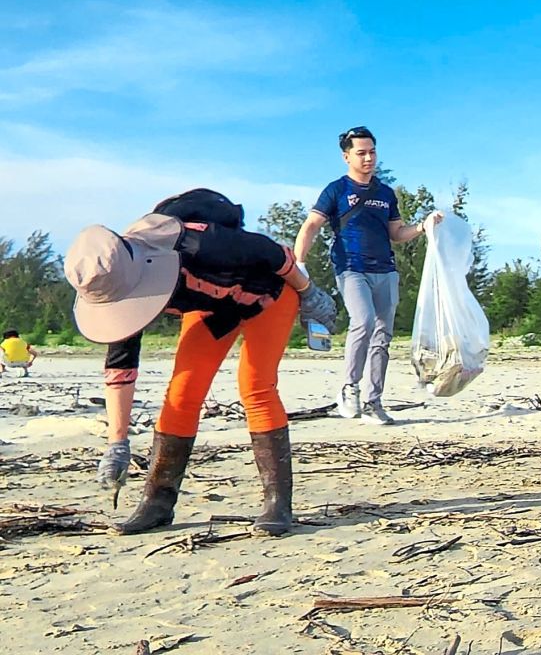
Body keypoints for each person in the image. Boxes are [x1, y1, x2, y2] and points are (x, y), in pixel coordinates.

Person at [67, 198, 337, 536]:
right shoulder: (114, 283)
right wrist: (117, 443)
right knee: (181, 394)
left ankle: (277, 504)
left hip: (270, 293)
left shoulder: (201, 243)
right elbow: (121, 366)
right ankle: (157, 503)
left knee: (256, 385)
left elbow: (273, 253)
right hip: (214, 308)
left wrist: (309, 292)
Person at [295, 127, 442, 425]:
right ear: (346, 156)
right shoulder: (336, 190)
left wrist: (423, 226)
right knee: (362, 321)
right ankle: (350, 388)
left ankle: (374, 401)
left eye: (372, 151)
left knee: (382, 336)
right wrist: (299, 262)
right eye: (361, 153)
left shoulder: (385, 193)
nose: (368, 158)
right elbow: (311, 225)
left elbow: (397, 233)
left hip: (385, 270)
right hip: (351, 268)